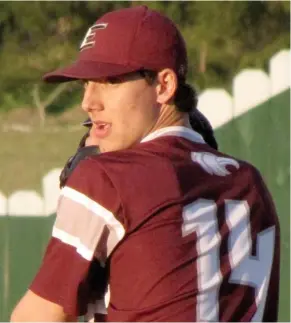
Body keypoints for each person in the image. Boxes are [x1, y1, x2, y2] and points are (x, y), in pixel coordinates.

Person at [11, 5, 280, 322]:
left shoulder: (107, 177)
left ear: (164, 86)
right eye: (85, 83)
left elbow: (37, 317)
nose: (88, 102)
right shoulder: (250, 183)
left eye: (110, 80)